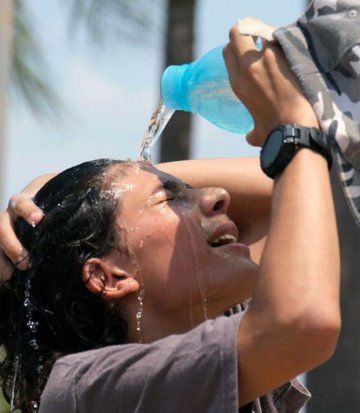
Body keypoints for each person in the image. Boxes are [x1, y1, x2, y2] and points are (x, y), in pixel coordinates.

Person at [0, 26, 340, 413]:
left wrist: (89, 184)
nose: (218, 196)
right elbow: (303, 322)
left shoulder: (212, 338)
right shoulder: (86, 391)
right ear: (107, 276)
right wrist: (294, 124)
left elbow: (295, 187)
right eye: (170, 198)